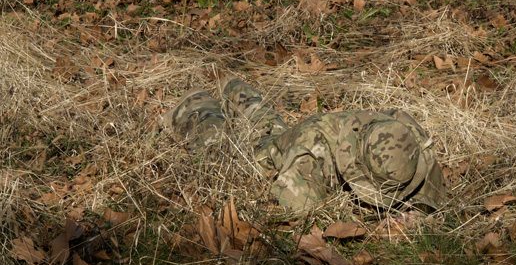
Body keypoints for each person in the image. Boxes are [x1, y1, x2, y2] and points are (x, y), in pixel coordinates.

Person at [164, 77, 446, 213]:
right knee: (220, 147)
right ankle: (197, 104)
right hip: (273, 156)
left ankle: (238, 90)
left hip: (298, 134)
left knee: (268, 125)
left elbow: (431, 192)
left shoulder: (400, 130)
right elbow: (302, 214)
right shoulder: (308, 156)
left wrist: (415, 213)